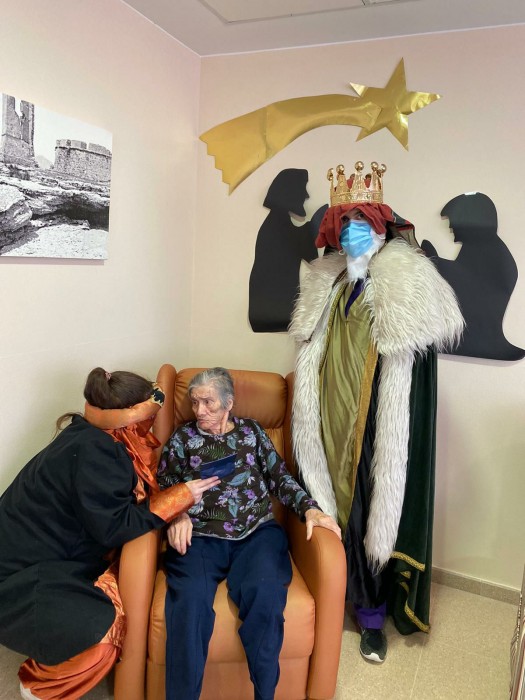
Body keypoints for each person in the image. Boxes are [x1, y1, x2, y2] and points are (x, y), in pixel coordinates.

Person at [289, 161, 464, 663]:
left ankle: (370, 619)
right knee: (331, 513)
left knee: (369, 517)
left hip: (373, 427)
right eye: (343, 225)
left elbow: (413, 373)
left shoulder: (406, 285)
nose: (351, 234)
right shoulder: (328, 285)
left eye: (361, 223)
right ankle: (332, 595)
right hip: (327, 422)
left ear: (382, 227)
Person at [0, 367, 219, 700]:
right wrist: (179, 498)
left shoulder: (86, 434)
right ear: (129, 422)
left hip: (40, 557)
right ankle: (39, 686)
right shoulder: (99, 453)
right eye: (148, 420)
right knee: (103, 632)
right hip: (18, 581)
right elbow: (114, 527)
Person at [156, 366, 340, 700]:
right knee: (189, 604)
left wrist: (309, 508)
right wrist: (177, 514)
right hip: (200, 536)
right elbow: (164, 484)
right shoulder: (183, 439)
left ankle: (264, 695)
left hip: (256, 533)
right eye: (195, 403)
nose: (199, 411)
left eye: (208, 403)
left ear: (229, 403)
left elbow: (279, 477)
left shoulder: (252, 432)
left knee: (265, 595)